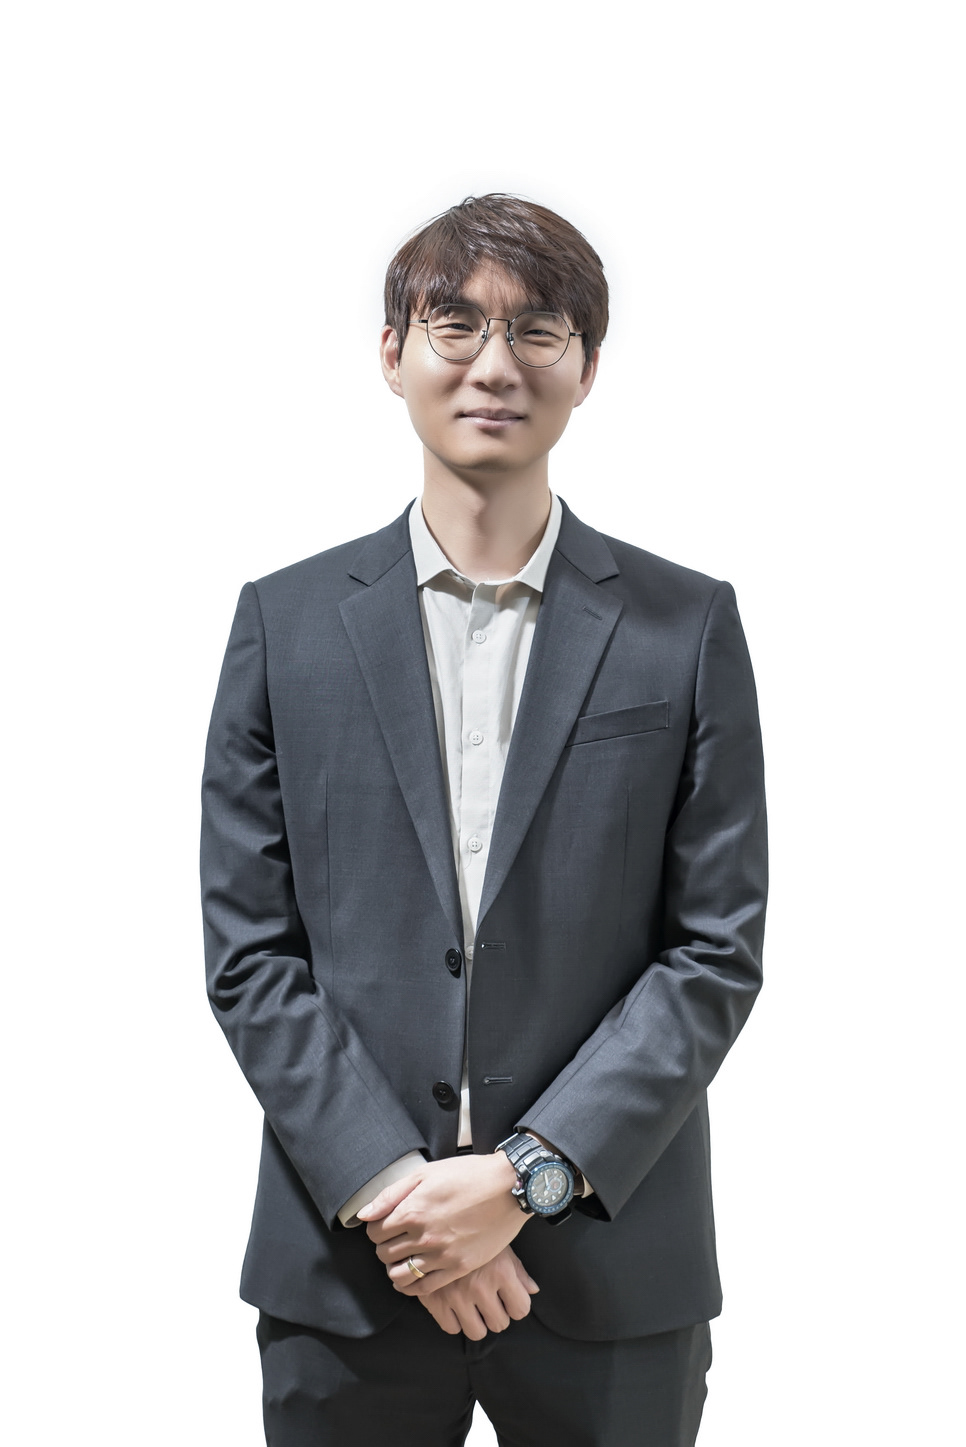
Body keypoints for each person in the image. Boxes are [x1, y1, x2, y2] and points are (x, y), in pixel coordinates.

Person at [200, 193, 767, 1447]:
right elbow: (251, 954)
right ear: (392, 353)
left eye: (537, 330)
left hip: (612, 1271)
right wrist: (401, 1194)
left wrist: (525, 1178)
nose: (495, 364)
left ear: (587, 366)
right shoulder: (284, 626)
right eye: (455, 325)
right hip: (350, 1271)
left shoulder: (686, 629)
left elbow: (714, 950)